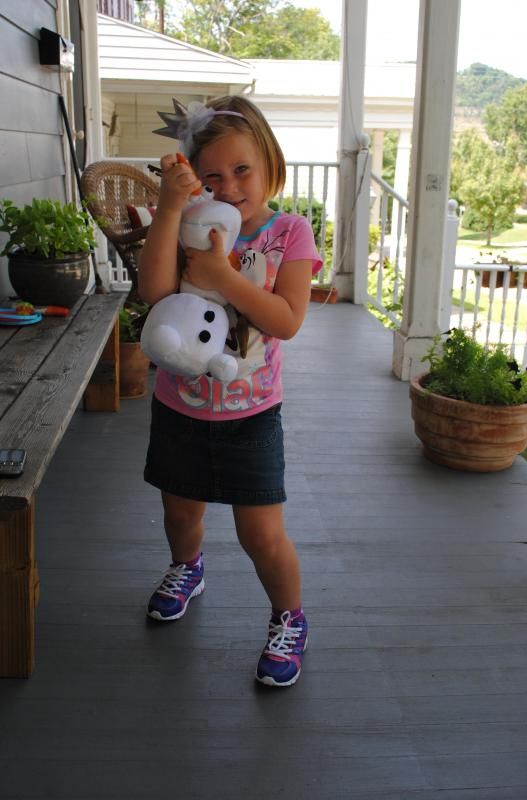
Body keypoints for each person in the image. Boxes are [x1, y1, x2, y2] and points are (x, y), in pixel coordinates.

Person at [138, 95, 322, 688]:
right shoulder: (191, 225)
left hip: (253, 415)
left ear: (269, 162)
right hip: (180, 405)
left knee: (261, 534)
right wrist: (171, 208)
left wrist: (222, 277)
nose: (230, 186)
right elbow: (154, 293)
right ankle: (187, 568)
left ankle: (289, 618)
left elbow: (286, 320)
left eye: (242, 169)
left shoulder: (289, 232)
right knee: (179, 512)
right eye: (212, 176)